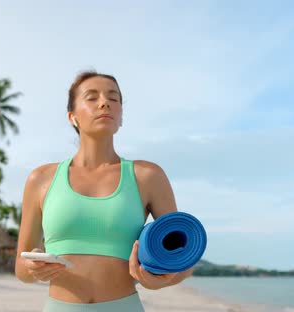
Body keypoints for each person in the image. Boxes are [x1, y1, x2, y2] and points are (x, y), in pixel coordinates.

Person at [15, 71, 194, 311]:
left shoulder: (147, 176)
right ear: (72, 116)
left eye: (114, 98)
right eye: (91, 97)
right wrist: (33, 268)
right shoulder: (41, 179)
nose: (104, 102)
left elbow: (184, 259)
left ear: (120, 116)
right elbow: (21, 269)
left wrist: (160, 281)